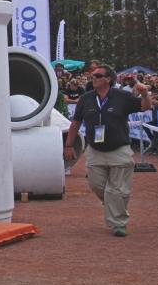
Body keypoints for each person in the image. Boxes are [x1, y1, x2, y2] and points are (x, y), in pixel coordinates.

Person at [64, 64, 151, 237]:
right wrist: (68, 145)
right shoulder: (86, 98)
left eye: (97, 75)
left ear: (108, 79)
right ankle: (114, 205)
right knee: (96, 185)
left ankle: (119, 224)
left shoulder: (123, 96)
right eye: (93, 75)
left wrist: (144, 93)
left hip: (119, 149)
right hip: (95, 150)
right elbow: (76, 123)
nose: (93, 78)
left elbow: (145, 107)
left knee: (117, 189)